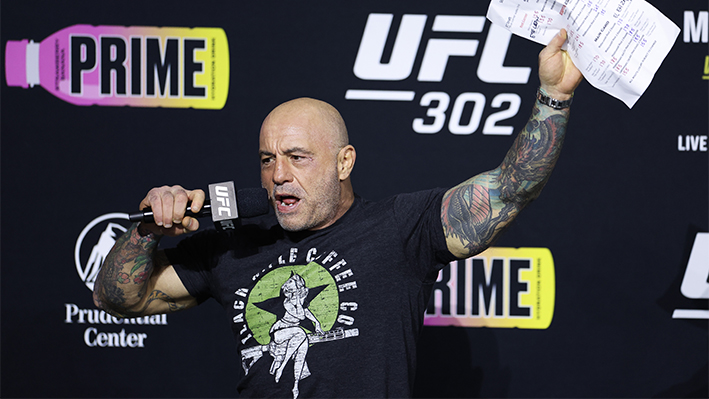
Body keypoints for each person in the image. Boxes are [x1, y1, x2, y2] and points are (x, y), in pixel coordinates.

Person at [94, 29, 583, 398]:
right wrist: (146, 231)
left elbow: (511, 189)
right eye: (268, 160)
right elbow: (119, 300)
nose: (279, 174)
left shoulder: (400, 230)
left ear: (344, 162)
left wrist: (553, 97)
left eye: (298, 157)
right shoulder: (234, 242)